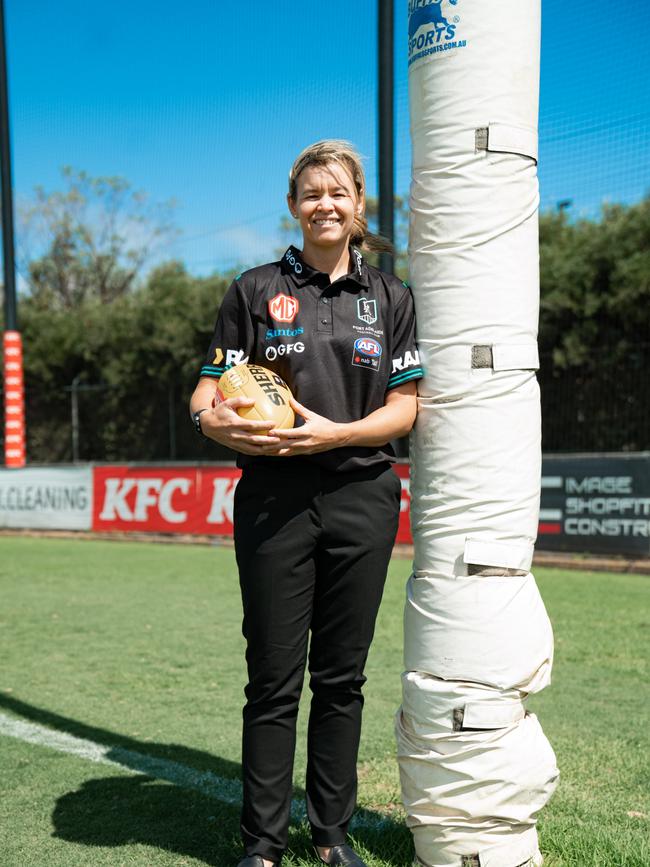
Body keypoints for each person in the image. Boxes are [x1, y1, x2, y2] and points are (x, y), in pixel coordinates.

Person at [190, 140, 423, 867]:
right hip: (273, 499)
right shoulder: (255, 289)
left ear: (359, 205)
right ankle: (260, 846)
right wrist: (213, 420)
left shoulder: (391, 297)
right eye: (311, 192)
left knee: (343, 677)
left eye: (339, 192)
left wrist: (341, 432)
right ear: (294, 205)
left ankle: (331, 834)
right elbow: (206, 391)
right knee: (273, 675)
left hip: (363, 495)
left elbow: (407, 407)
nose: (326, 203)